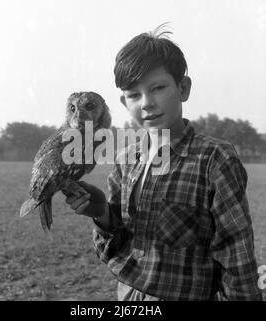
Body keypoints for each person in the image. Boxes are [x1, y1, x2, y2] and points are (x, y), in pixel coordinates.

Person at [64, 25, 263, 301]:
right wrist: (102, 214)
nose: (146, 103)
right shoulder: (126, 159)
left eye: (157, 88)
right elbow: (117, 243)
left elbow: (236, 255)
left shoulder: (215, 159)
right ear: (123, 102)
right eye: (134, 94)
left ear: (183, 88)